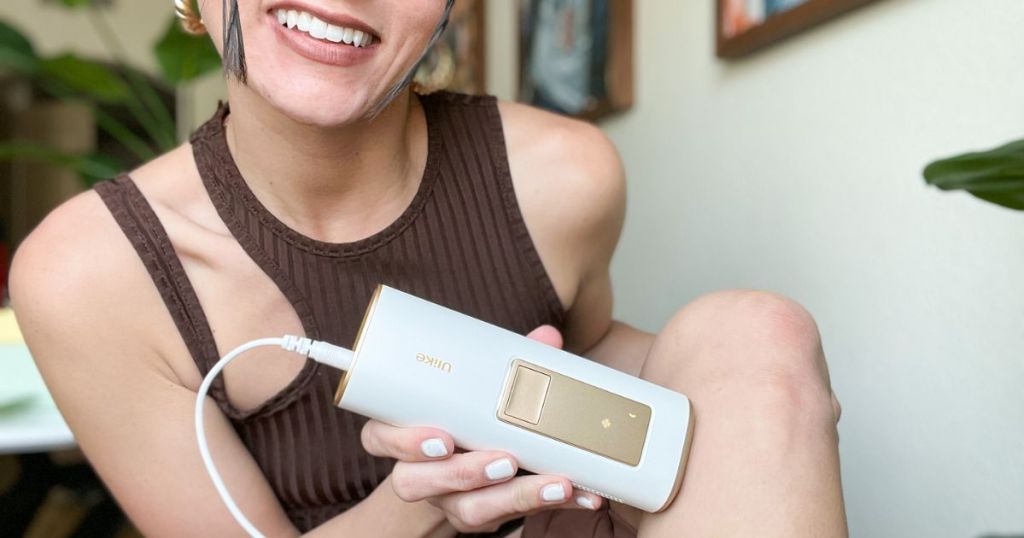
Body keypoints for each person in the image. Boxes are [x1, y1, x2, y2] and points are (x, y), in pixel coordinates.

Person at [9, 1, 848, 536]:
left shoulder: (563, 176)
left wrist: (755, 373)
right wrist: (423, 504)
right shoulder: (92, 272)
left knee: (759, 328)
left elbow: (593, 379)